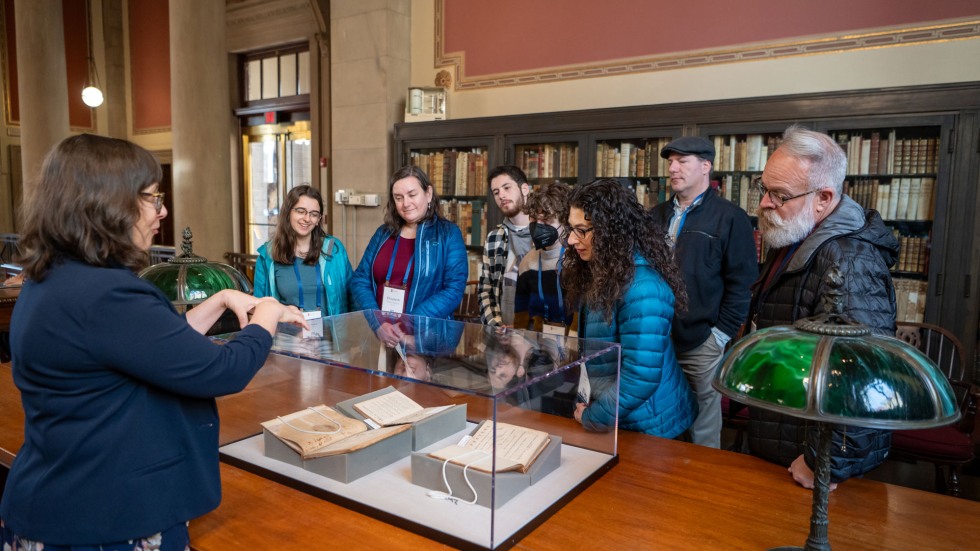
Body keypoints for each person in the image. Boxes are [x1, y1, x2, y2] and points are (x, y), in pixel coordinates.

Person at [0, 134, 306, 549]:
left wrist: (218, 301)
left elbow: (146, 343)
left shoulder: (57, 277)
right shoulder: (106, 294)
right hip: (105, 517)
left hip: (59, 496)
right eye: (150, 197)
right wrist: (266, 314)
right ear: (105, 204)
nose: (162, 212)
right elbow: (222, 371)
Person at [746, 125, 898, 490]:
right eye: (763, 189)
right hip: (785, 441)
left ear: (824, 198)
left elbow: (864, 375)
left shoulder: (847, 258)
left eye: (779, 195)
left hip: (813, 467)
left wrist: (824, 462)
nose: (764, 203)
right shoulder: (794, 231)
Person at [565, 179, 696, 438]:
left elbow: (639, 379)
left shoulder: (643, 288)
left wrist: (593, 417)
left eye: (581, 230)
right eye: (571, 229)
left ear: (611, 231)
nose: (570, 239)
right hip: (621, 415)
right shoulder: (608, 270)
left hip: (651, 426)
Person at [650, 137, 757, 448]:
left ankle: (703, 486)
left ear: (706, 166)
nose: (672, 168)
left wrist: (719, 336)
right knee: (659, 414)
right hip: (655, 338)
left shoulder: (730, 217)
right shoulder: (655, 215)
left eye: (682, 161)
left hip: (700, 341)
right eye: (670, 161)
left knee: (704, 427)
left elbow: (742, 283)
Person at [350, 166, 467, 344]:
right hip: (380, 335)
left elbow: (454, 289)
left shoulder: (448, 234)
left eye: (412, 195)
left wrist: (410, 323)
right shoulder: (383, 233)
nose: (406, 203)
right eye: (399, 198)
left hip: (422, 338)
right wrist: (378, 323)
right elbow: (360, 279)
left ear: (428, 194)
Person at [253, 184, 353, 335]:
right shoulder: (268, 256)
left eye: (314, 214)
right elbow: (259, 307)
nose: (307, 219)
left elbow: (351, 296)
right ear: (288, 213)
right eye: (301, 211)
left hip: (331, 344)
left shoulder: (334, 250)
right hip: (287, 345)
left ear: (319, 219)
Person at [512, 180, 577, 335]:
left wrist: (573, 347)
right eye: (534, 219)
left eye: (547, 219)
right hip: (538, 345)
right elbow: (521, 312)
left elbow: (581, 313)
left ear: (565, 221)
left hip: (573, 344)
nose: (539, 225)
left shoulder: (576, 260)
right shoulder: (527, 262)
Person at [478, 166, 533, 326]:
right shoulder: (494, 238)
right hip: (502, 336)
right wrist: (495, 325)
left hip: (538, 338)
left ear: (524, 188)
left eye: (506, 188)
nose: (501, 195)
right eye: (496, 192)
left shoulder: (546, 234)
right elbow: (485, 290)